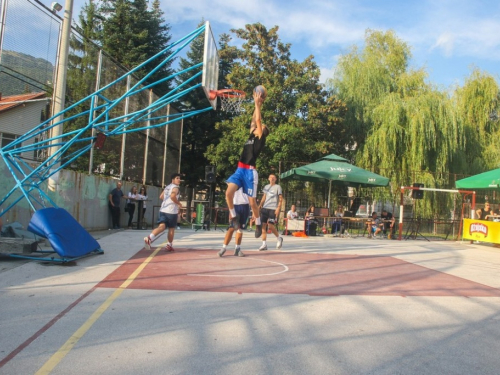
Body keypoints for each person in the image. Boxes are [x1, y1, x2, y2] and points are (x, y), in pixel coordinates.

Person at [225, 89, 269, 239]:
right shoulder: (252, 134)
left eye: (261, 127)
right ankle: (234, 217)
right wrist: (257, 105)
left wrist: (257, 104)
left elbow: (257, 121)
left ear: (263, 131)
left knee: (252, 202)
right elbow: (253, 120)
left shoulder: (260, 138)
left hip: (250, 172)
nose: (258, 126)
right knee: (228, 193)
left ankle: (257, 223)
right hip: (240, 170)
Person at [144, 173, 182, 252]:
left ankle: (150, 237)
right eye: (177, 178)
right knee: (171, 228)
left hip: (163, 210)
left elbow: (161, 196)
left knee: (161, 227)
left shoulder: (167, 187)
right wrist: (178, 203)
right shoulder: (175, 188)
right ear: (173, 179)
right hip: (171, 211)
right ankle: (169, 244)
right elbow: (172, 196)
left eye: (179, 178)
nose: (179, 180)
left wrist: (166, 201)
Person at [219, 188, 249, 257]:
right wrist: (230, 210)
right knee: (232, 228)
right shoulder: (234, 180)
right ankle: (224, 247)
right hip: (235, 205)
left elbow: (252, 196)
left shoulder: (249, 180)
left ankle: (237, 248)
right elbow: (228, 194)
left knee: (240, 229)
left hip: (245, 206)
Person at [257, 174, 284, 250]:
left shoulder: (278, 187)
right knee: (263, 226)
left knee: (270, 226)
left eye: (273, 177)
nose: (272, 178)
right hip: (265, 208)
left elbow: (280, 198)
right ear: (268, 178)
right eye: (270, 177)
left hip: (273, 208)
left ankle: (279, 238)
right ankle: (264, 244)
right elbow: (264, 197)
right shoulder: (266, 187)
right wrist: (260, 205)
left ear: (275, 179)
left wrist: (278, 208)